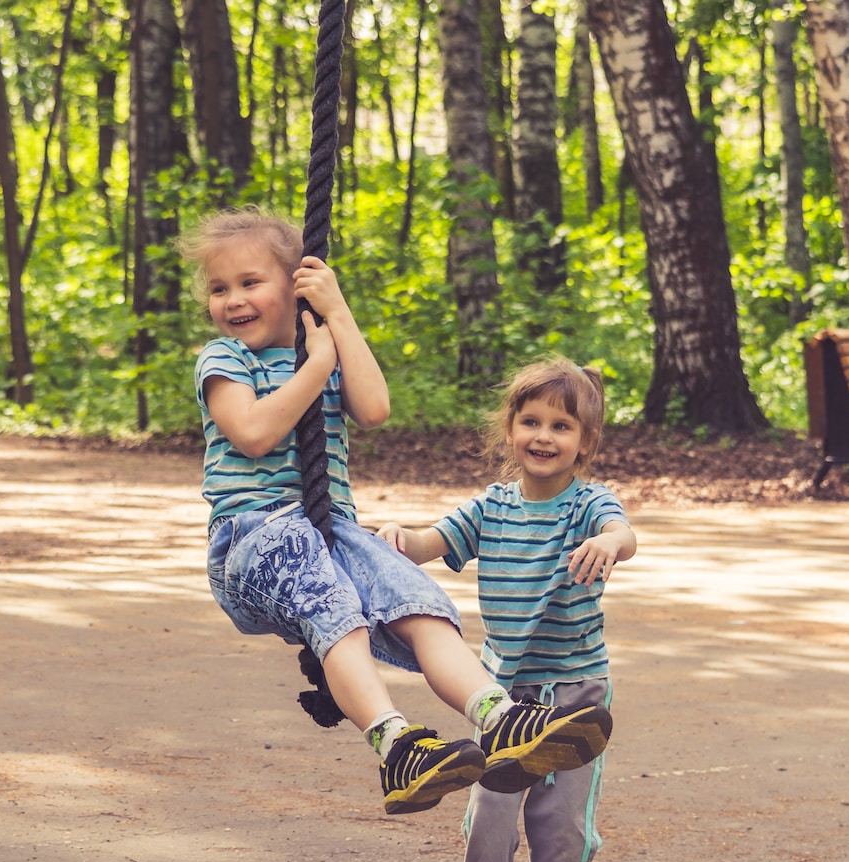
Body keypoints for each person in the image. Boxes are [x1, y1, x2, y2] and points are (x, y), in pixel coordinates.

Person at [180, 208, 613, 816]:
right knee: (337, 613)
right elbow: (252, 433)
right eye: (220, 289)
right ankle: (395, 743)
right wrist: (317, 369)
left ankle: (501, 719)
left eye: (250, 282)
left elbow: (375, 407)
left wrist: (338, 317)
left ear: (297, 285)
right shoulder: (225, 359)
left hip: (329, 531)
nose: (233, 300)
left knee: (419, 602)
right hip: (253, 535)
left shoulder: (321, 346)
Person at [376, 358, 636, 862]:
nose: (544, 436)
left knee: (563, 834)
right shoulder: (490, 507)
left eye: (562, 426)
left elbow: (622, 532)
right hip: (502, 701)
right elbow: (429, 542)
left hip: (575, 698)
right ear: (511, 429)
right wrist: (390, 538)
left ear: (585, 443)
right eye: (531, 421)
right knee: (488, 822)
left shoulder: (588, 505)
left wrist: (611, 543)